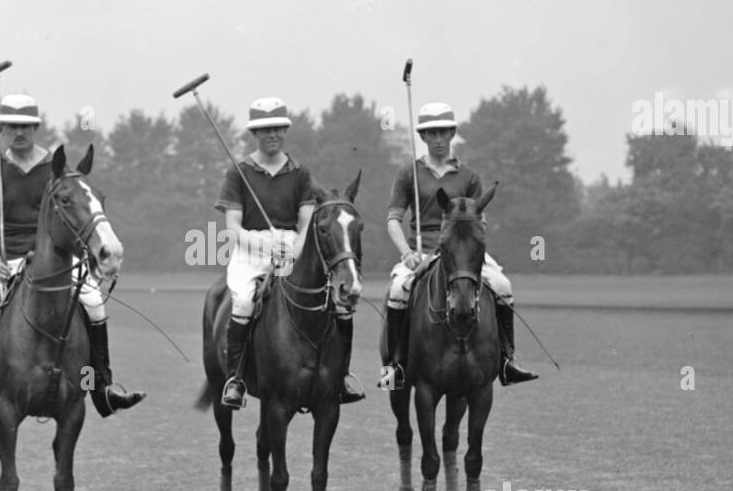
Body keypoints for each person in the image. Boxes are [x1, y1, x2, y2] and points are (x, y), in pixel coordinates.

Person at [0, 93, 144, 424]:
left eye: (27, 126)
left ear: (36, 128)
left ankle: (102, 387)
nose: (19, 132)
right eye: (12, 126)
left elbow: (78, 213)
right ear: (1, 128)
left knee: (94, 303)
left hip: (55, 262)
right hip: (11, 261)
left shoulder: (56, 169)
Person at [215, 97, 365, 410]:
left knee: (338, 303)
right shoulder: (238, 173)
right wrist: (263, 245)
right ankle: (236, 380)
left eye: (278, 128)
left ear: (285, 130)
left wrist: (295, 249)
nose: (273, 134)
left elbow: (308, 220)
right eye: (266, 129)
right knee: (243, 300)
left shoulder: (300, 173)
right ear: (255, 133)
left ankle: (341, 376)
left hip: (291, 247)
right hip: (249, 249)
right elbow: (233, 228)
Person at [378, 102, 538, 388]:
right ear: (423, 137)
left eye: (443, 132)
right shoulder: (408, 174)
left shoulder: (470, 177)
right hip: (421, 251)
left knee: (502, 285)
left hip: (463, 254)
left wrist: (469, 246)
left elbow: (481, 222)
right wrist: (406, 254)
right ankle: (395, 367)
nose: (438, 139)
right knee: (397, 290)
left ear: (452, 133)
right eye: (431, 134)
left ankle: (507, 360)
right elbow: (393, 220)